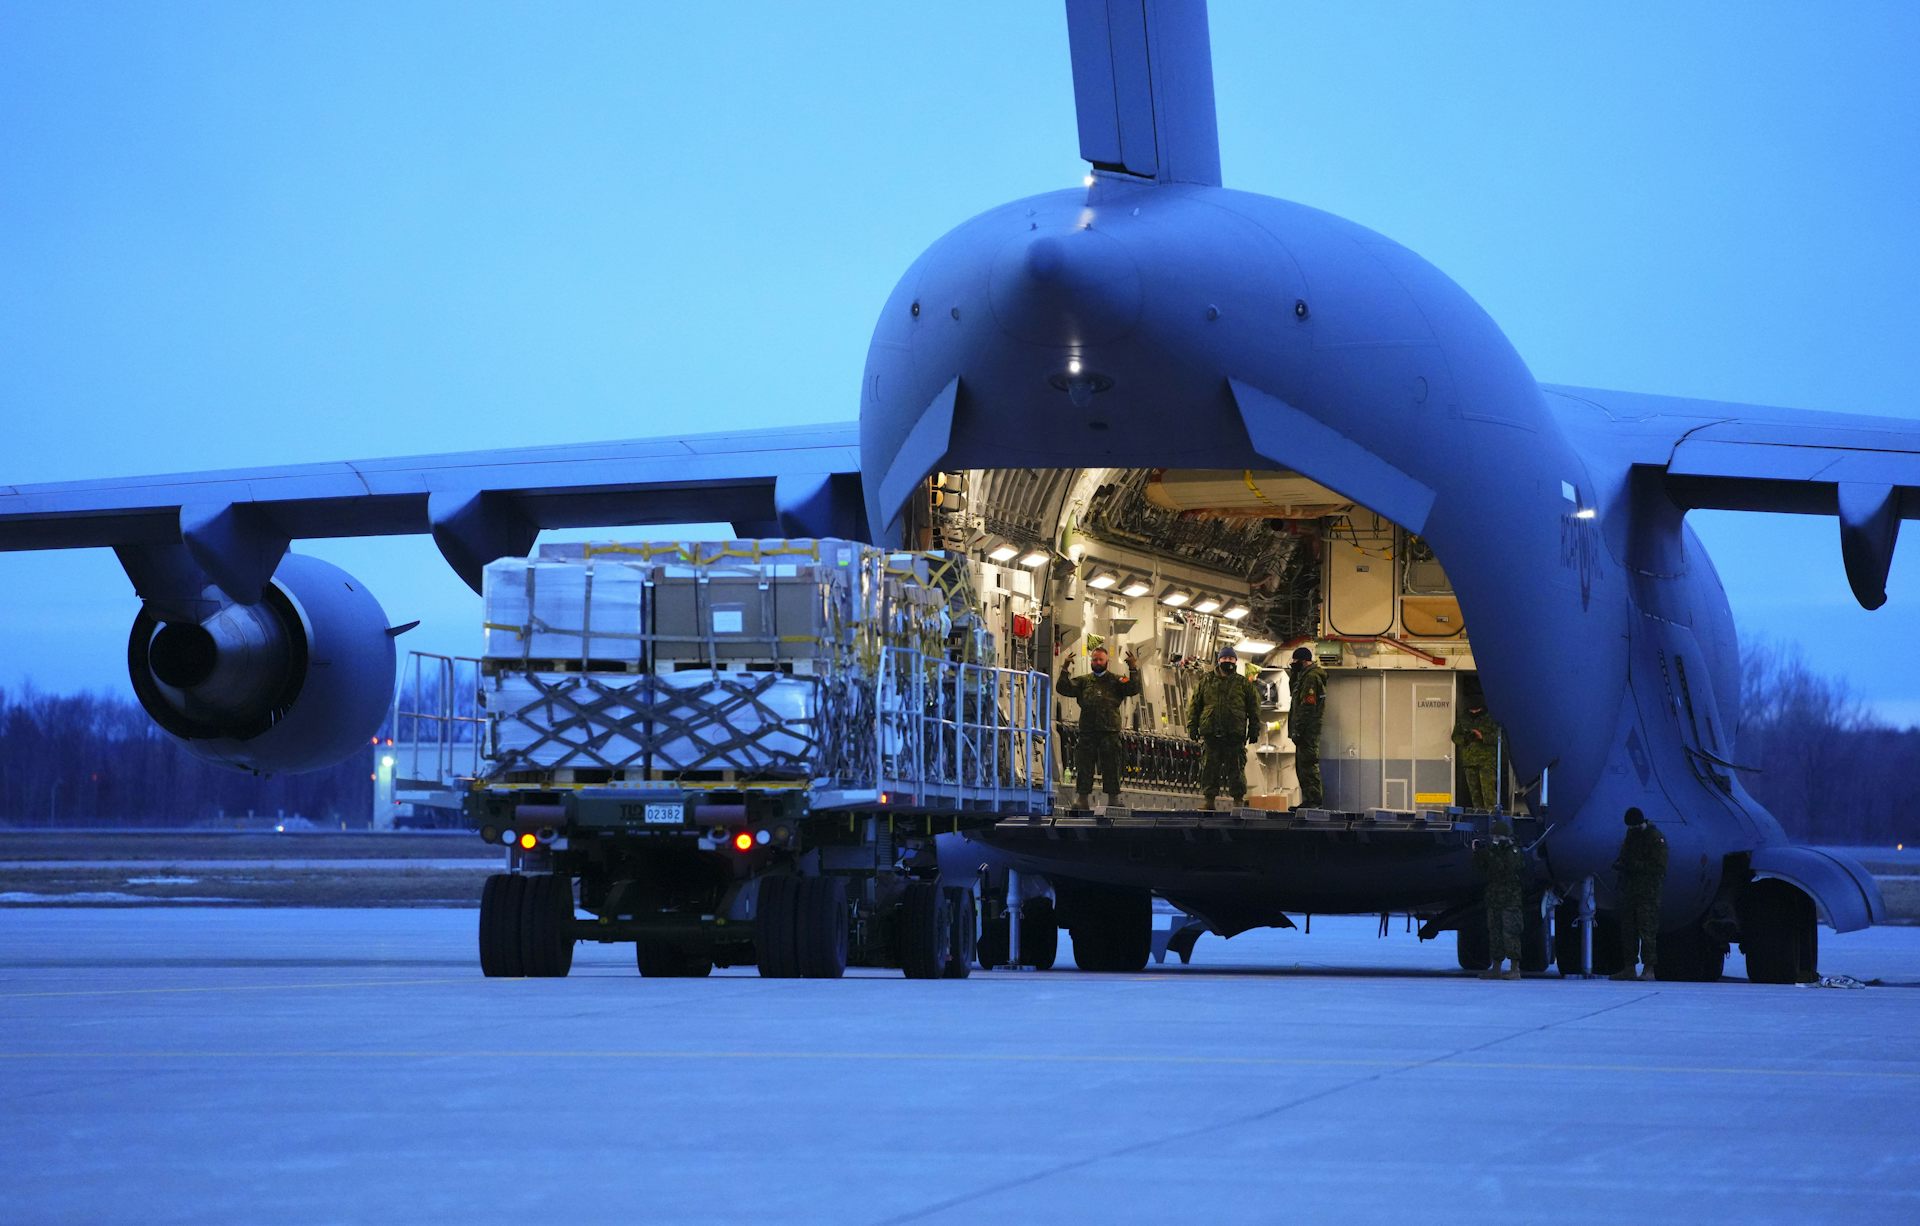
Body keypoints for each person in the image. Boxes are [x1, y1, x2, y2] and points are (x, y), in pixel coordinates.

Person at [1055, 645, 1141, 810]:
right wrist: (1065, 667)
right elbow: (1063, 688)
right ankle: (1082, 799)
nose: (1097, 662)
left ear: (1107, 661)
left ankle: (1113, 799)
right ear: (1091, 662)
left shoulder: (1117, 680)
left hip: (1109, 732)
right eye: (1094, 659)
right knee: (1084, 765)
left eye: (1100, 659)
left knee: (1111, 765)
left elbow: (1133, 689)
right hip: (1088, 731)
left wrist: (1133, 668)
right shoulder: (1083, 681)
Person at [1187, 645, 1260, 810]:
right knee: (1209, 768)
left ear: (1235, 661)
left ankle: (1238, 800)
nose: (1228, 661)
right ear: (1219, 661)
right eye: (1225, 659)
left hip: (1234, 733)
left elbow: (1254, 708)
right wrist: (1192, 725)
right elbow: (1195, 705)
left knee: (1236, 769)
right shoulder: (1206, 681)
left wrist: (1254, 728)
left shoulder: (1243, 684)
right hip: (1211, 732)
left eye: (1231, 659)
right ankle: (1209, 800)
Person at [1611, 806, 1668, 980]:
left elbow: (1659, 867)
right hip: (1630, 890)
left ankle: (1649, 969)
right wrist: (1621, 864)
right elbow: (1625, 855)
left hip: (1648, 893)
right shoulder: (1632, 835)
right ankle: (1629, 967)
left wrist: (1633, 866)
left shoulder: (1655, 838)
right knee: (1628, 930)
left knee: (1647, 931)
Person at [1471, 820, 1527, 979]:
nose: (1494, 838)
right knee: (1495, 932)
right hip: (1494, 898)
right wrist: (1478, 853)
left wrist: (1489, 852)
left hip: (1510, 899)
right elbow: (1483, 869)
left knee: (1511, 932)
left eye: (1497, 835)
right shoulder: (1494, 850)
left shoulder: (1513, 851)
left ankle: (1515, 969)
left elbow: (1503, 868)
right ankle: (1496, 967)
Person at [1285, 646, 1328, 809]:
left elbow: (1306, 707)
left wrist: (1299, 729)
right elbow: (1293, 693)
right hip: (1304, 730)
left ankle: (1314, 801)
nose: (1293, 664)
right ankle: (1310, 800)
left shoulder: (1311, 677)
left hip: (1307, 731)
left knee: (1308, 765)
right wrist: (1294, 674)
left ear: (1303, 661)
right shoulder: (1303, 676)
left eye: (1296, 661)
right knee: (1302, 766)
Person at [1451, 693, 1505, 810]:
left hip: (1487, 762)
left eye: (1476, 710)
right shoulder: (1464, 718)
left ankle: (1492, 818)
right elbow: (1455, 736)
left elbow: (1500, 737)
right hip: (1469, 762)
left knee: (1488, 793)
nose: (1474, 712)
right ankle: (1479, 817)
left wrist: (1482, 737)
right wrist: (1465, 739)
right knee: (1475, 796)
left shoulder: (1490, 717)